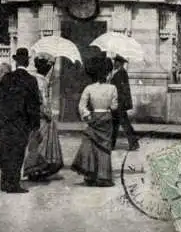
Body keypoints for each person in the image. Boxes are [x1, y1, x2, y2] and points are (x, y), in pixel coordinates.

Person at [0, 48, 41, 194]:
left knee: (5, 150)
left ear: (16, 61)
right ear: (27, 62)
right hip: (21, 122)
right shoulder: (31, 80)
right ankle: (13, 184)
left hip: (5, 121)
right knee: (17, 152)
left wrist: (1, 118)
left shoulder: (6, 78)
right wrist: (35, 124)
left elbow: (0, 99)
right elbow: (34, 105)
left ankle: (4, 183)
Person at [71, 56, 118, 187]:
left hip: (94, 118)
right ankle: (103, 176)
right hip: (106, 118)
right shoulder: (112, 88)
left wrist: (87, 116)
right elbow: (114, 106)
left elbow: (81, 106)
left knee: (92, 146)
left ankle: (91, 174)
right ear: (107, 72)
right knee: (105, 148)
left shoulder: (89, 88)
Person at [23, 53, 63, 181]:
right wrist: (47, 113)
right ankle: (36, 168)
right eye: (48, 66)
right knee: (40, 142)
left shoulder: (39, 79)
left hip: (38, 114)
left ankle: (38, 168)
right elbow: (43, 100)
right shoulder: (40, 81)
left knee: (38, 142)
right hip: (41, 115)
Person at [109, 54, 139, 151]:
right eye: (114, 61)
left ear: (120, 63)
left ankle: (133, 143)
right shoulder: (117, 73)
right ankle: (111, 144)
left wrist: (120, 103)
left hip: (119, 103)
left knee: (123, 123)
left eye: (116, 62)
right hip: (117, 103)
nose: (114, 63)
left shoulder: (121, 73)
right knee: (115, 124)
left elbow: (122, 89)